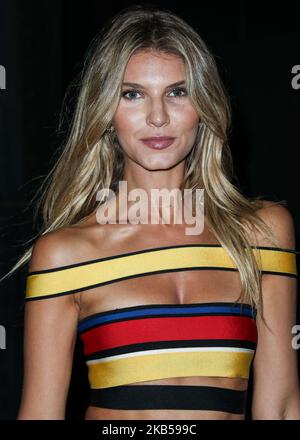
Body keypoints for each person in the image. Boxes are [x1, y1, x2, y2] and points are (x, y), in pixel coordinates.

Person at [4, 4, 299, 419]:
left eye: (177, 92)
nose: (158, 117)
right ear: (106, 113)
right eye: (133, 94)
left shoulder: (262, 233)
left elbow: (282, 407)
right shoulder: (66, 253)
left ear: (204, 106)